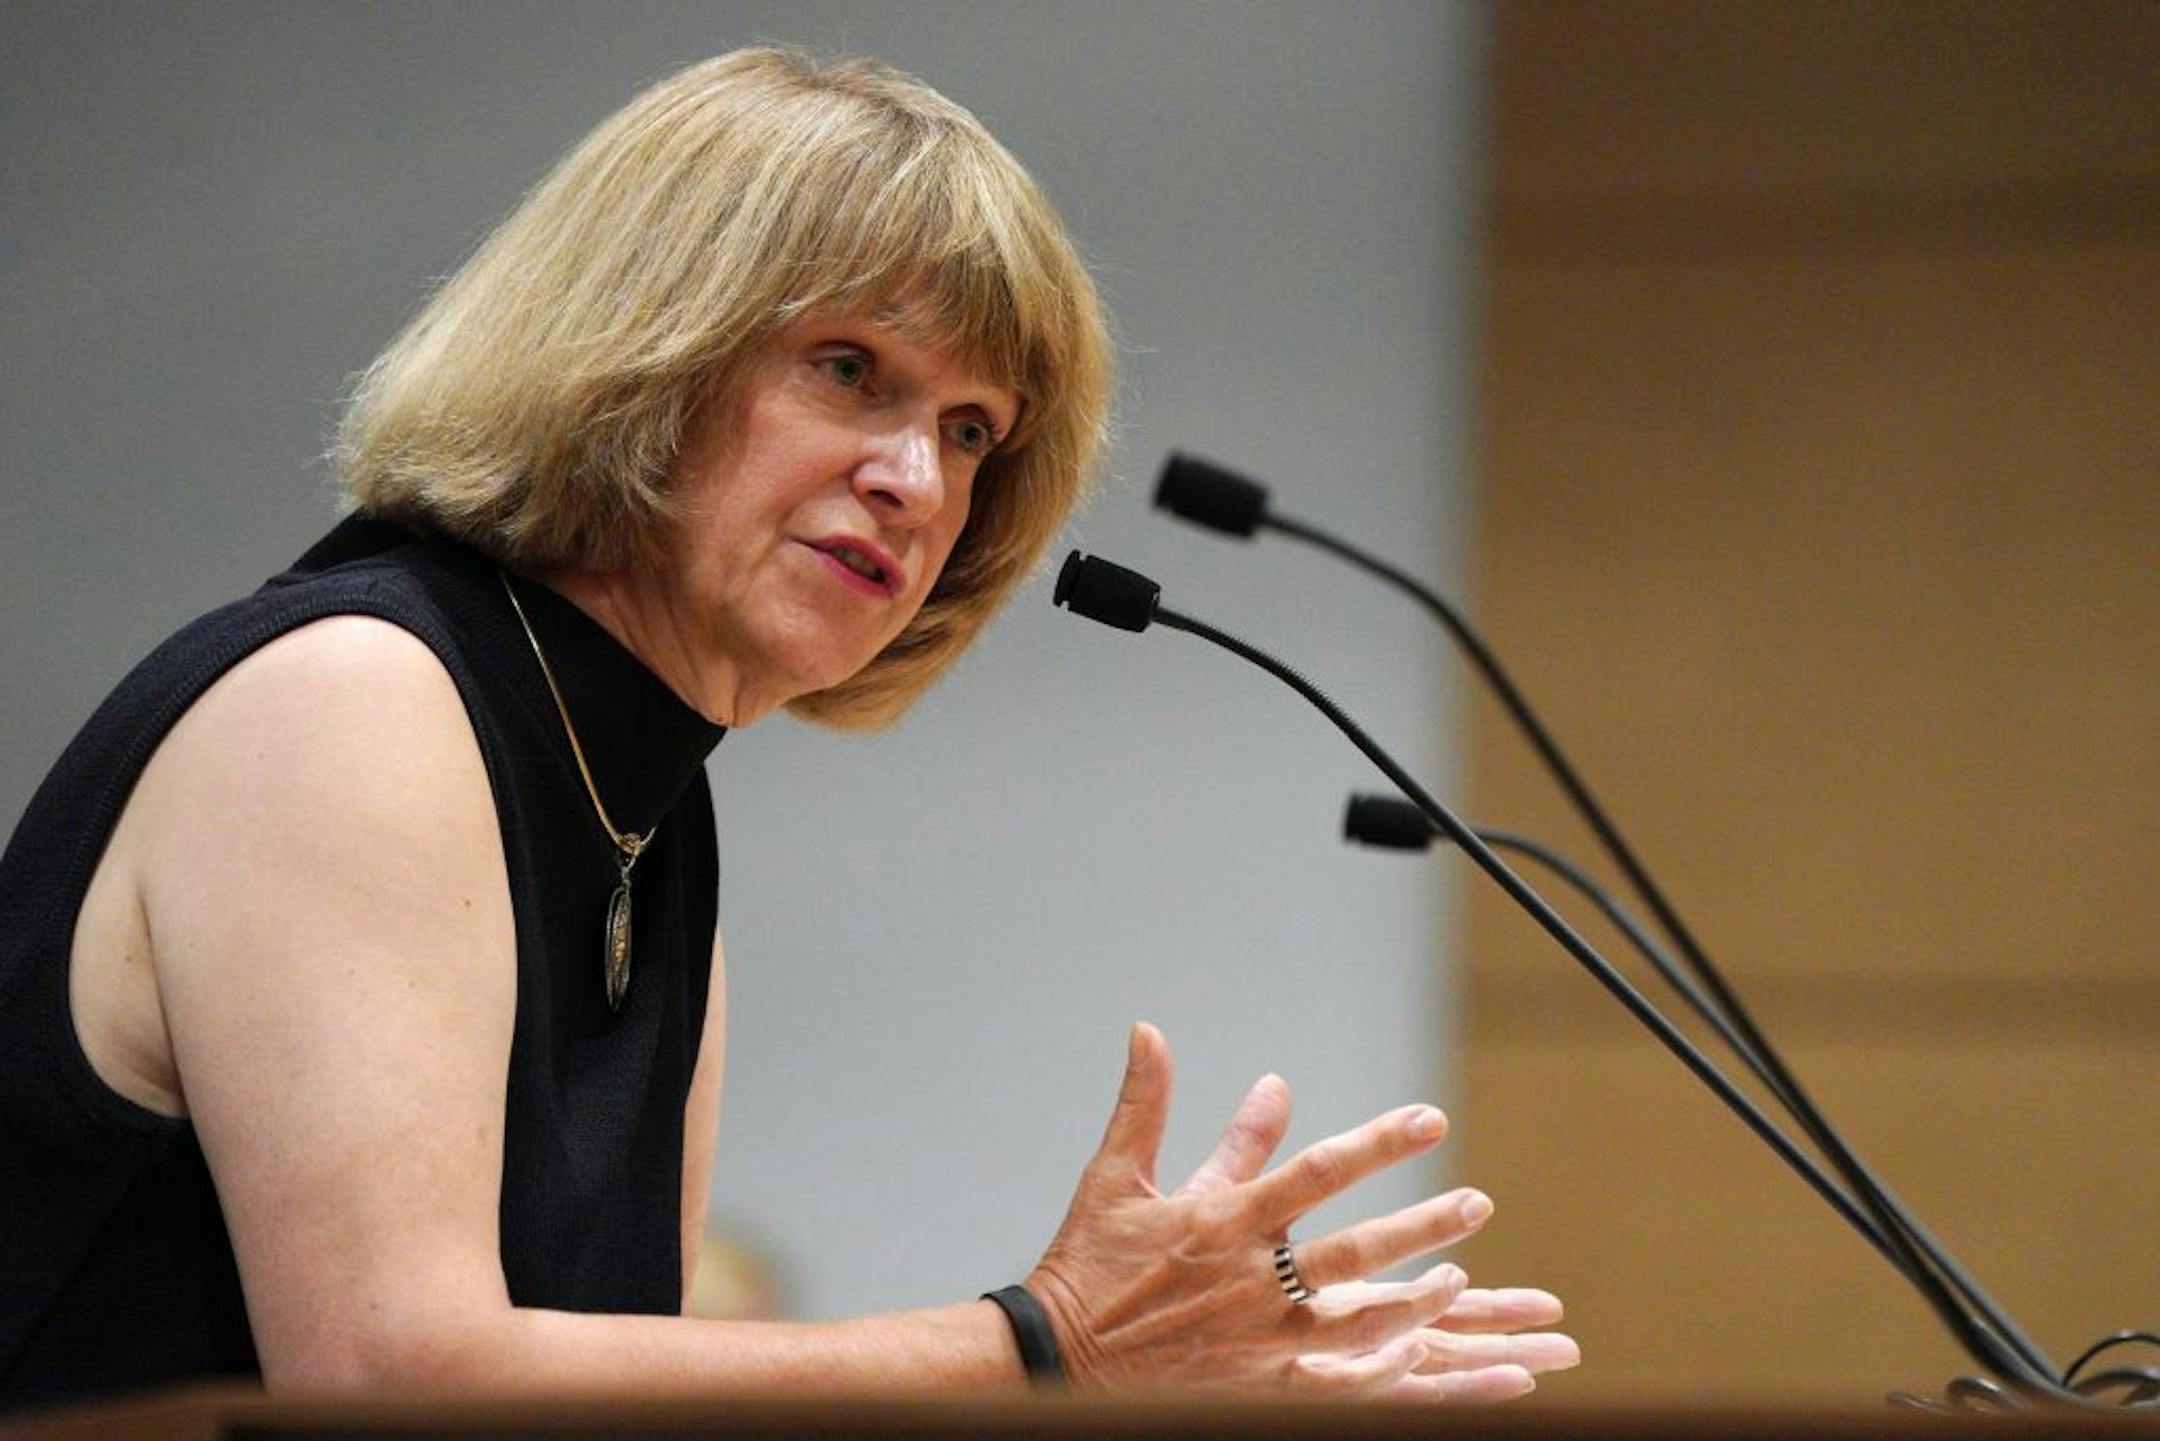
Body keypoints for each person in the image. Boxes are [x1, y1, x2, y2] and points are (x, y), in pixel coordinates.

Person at [0, 49, 1577, 1408]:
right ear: (641, 348)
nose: (918, 480)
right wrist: (1050, 1343)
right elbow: (387, 1377)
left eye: (970, 432)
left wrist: (1167, 1380)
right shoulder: (357, 701)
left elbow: (619, 1399)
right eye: (851, 371)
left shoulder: (647, 816)